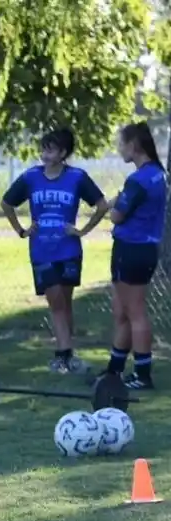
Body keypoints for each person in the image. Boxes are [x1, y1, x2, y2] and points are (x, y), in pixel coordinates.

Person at [1, 128, 109, 374]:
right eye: (43, 149)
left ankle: (67, 355)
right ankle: (63, 355)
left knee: (65, 303)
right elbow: (7, 203)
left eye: (50, 150)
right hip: (42, 250)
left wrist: (82, 230)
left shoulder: (77, 177)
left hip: (69, 250)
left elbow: (102, 205)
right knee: (56, 301)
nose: (44, 154)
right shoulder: (31, 177)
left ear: (63, 153)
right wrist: (21, 230)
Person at [99, 122, 167, 390]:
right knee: (122, 310)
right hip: (145, 249)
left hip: (131, 248)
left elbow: (118, 215)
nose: (119, 149)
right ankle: (114, 370)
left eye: (121, 143)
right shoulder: (157, 174)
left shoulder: (138, 179)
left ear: (134, 145)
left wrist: (112, 206)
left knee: (135, 312)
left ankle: (142, 374)